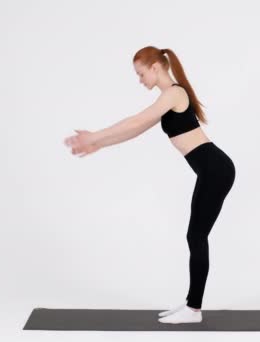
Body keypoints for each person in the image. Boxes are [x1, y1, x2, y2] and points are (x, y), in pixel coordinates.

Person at [63, 46, 236, 324]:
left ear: (156, 67)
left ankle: (193, 310)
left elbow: (138, 119)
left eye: (141, 73)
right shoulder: (169, 99)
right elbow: (135, 129)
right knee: (195, 236)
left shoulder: (174, 93)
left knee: (196, 236)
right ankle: (191, 305)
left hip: (217, 169)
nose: (140, 79)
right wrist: (97, 143)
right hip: (211, 171)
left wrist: (94, 135)